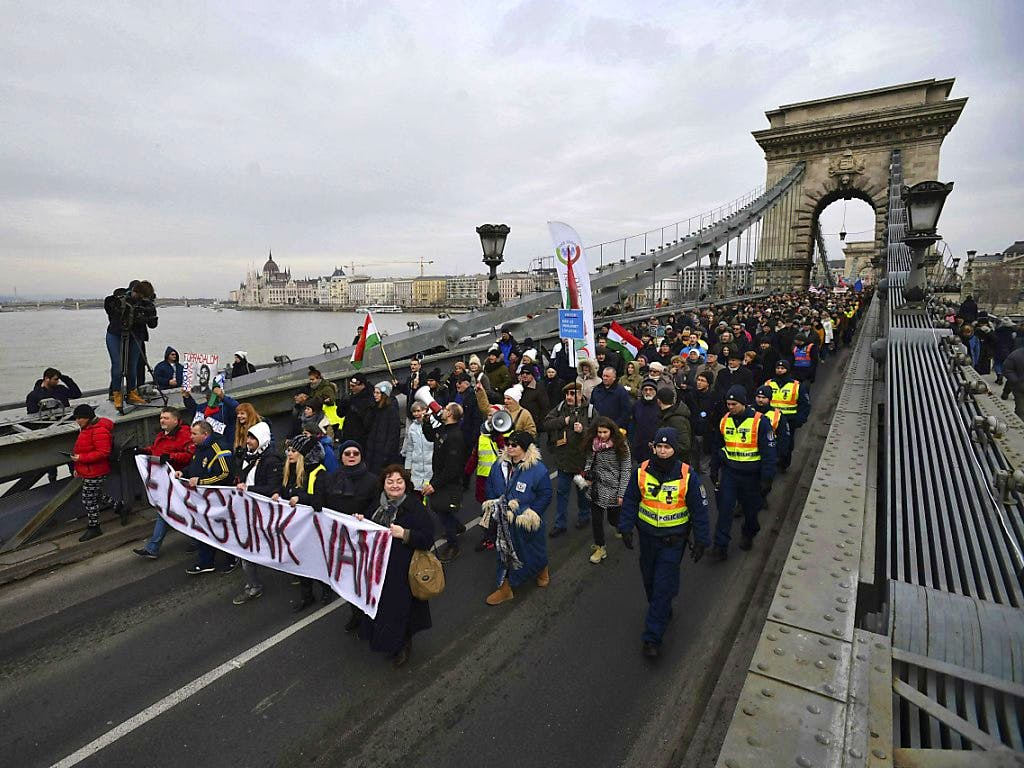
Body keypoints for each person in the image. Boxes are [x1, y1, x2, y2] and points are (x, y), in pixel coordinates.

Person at [618, 427, 710, 658]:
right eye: (659, 446)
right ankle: (663, 605)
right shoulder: (640, 471)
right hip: (648, 539)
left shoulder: (688, 475)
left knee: (661, 586)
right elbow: (630, 499)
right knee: (650, 581)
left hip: (673, 541)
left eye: (667, 447)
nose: (662, 451)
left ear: (674, 449)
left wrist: (701, 540)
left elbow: (699, 511)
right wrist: (626, 527)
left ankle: (652, 638)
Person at [351, 465, 434, 667]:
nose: (395, 485)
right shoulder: (375, 505)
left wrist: (405, 534)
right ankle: (388, 642)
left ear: (405, 484)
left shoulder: (415, 507)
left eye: (399, 481)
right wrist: (360, 521)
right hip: (379, 569)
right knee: (383, 610)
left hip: (403, 572)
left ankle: (403, 645)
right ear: (383, 484)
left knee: (401, 611)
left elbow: (427, 538)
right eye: (390, 481)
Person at [482, 431, 553, 605]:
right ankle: (505, 589)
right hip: (504, 522)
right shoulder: (498, 466)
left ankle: (542, 569)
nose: (509, 448)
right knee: (503, 554)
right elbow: (490, 485)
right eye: (508, 444)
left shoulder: (538, 469)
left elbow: (545, 494)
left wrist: (532, 513)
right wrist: (495, 505)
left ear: (525, 447)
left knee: (533, 549)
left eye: (514, 445)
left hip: (525, 521)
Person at [709, 386, 777, 559]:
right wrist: (714, 469)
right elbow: (718, 446)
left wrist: (767, 478)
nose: (730, 407)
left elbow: (769, 452)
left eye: (734, 404)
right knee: (725, 509)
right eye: (728, 404)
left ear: (743, 404)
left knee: (750, 510)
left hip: (752, 475)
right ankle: (720, 546)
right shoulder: (725, 420)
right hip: (730, 473)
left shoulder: (760, 422)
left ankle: (749, 532)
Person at [323, 440, 381, 632]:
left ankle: (370, 614)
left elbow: (377, 506)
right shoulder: (332, 478)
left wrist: (364, 518)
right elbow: (323, 503)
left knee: (365, 579)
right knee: (348, 580)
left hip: (364, 540)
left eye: (355, 453)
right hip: (341, 538)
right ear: (341, 456)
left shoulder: (372, 480)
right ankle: (356, 614)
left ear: (361, 455)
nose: (351, 456)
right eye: (347, 453)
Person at [273, 435, 332, 611]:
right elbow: (283, 489)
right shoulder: (289, 470)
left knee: (317, 559)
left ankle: (326, 588)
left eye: (293, 450)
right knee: (301, 561)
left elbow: (319, 501)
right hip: (296, 526)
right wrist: (277, 493)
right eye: (288, 450)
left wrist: (300, 498)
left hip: (313, 526)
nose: (289, 454)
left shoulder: (318, 472)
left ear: (304, 454)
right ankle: (307, 596)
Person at [132, 407, 197, 559]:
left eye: (166, 418)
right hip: (166, 482)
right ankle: (196, 541)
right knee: (169, 511)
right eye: (161, 418)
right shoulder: (163, 435)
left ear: (175, 420)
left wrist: (171, 457)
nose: (162, 420)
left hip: (179, 481)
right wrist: (144, 451)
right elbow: (157, 450)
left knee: (169, 511)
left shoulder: (184, 434)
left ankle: (153, 548)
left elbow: (190, 455)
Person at [230, 421, 282, 604]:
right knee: (245, 551)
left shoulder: (272, 459)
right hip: (248, 510)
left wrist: (249, 489)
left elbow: (272, 487)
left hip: (264, 512)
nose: (249, 441)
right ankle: (253, 585)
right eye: (248, 437)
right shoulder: (248, 456)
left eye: (253, 438)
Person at [180, 421, 238, 575]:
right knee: (203, 529)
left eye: (194, 434)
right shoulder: (200, 448)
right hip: (202, 498)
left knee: (224, 529)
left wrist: (202, 482)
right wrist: (184, 473)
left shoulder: (219, 448)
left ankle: (232, 558)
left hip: (218, 499)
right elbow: (196, 467)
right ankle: (206, 561)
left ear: (205, 434)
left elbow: (224, 474)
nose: (191, 437)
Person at [542, 382, 596, 537]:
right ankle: (560, 524)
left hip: (582, 462)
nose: (569, 397)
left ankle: (584, 516)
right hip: (563, 460)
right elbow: (546, 424)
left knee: (582, 492)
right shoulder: (560, 408)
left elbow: (599, 433)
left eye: (573, 394)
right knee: (561, 493)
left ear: (580, 394)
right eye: (567, 394)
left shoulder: (591, 411)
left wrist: (583, 430)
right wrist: (563, 421)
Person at [581, 416, 632, 564]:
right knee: (596, 520)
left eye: (605, 432)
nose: (602, 436)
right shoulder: (593, 444)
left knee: (613, 519)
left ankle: (621, 527)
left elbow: (626, 469)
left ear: (612, 431)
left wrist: (622, 493)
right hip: (597, 486)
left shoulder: (621, 445)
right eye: (599, 432)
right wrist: (587, 474)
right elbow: (589, 461)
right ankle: (600, 547)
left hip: (613, 488)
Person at [422, 402, 467, 563]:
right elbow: (430, 436)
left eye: (446, 409)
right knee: (440, 508)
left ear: (450, 415)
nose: (442, 410)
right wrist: (426, 421)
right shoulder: (444, 429)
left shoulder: (455, 436)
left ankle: (453, 545)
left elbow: (452, 468)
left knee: (442, 510)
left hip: (449, 481)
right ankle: (457, 527)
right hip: (441, 476)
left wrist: (435, 485)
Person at [103, 279, 157, 409]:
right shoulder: (119, 299)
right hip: (115, 334)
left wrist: (147, 314)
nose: (141, 299)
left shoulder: (146, 304)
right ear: (134, 291)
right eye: (139, 296)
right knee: (118, 364)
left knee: (132, 366)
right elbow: (109, 307)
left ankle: (132, 392)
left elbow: (153, 324)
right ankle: (116, 394)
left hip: (135, 335)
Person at [70, 404, 116, 542]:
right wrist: (77, 467)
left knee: (88, 499)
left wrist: (80, 459)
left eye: (80, 418)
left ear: (88, 418)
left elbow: (103, 452)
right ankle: (119, 506)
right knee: (97, 496)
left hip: (96, 471)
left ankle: (94, 527)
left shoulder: (99, 431)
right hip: (89, 469)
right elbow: (81, 449)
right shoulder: (86, 428)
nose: (77, 421)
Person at [764, 359, 809, 452]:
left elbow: (804, 404)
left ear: (787, 370)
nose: (780, 370)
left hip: (789, 419)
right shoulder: (768, 383)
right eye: (778, 368)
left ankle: (784, 462)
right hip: (771, 419)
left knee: (787, 443)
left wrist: (800, 420)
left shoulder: (796, 385)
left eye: (782, 368)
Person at [364, 380, 401, 473]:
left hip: (383, 453)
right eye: (374, 392)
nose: (375, 395)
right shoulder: (375, 409)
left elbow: (393, 434)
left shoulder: (391, 410)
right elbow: (367, 426)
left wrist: (386, 454)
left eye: (378, 393)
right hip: (373, 450)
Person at [753, 385, 792, 473]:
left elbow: (784, 437)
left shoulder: (777, 415)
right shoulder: (748, 410)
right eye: (758, 397)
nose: (760, 400)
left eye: (764, 398)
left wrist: (780, 455)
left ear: (769, 399)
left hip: (769, 451)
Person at [403, 401, 434, 496]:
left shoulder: (434, 425)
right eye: (414, 412)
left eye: (418, 411)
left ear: (426, 410)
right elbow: (410, 448)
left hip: (431, 468)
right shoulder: (412, 427)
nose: (416, 414)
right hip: (416, 470)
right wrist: (407, 467)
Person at [655, 388, 693, 464]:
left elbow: (685, 445)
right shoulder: (664, 415)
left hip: (677, 462)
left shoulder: (676, 420)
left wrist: (666, 448)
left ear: (658, 401)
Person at [590, 366, 633, 431]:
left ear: (614, 378)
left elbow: (626, 412)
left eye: (607, 376)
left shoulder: (621, 391)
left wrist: (615, 425)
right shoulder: (596, 389)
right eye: (603, 376)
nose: (605, 378)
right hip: (597, 427)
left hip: (614, 428)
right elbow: (591, 407)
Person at [337, 372, 374, 447]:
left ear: (362, 385)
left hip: (361, 436)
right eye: (350, 386)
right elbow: (340, 414)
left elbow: (368, 421)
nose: (351, 388)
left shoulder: (369, 398)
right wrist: (343, 403)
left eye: (353, 386)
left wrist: (355, 409)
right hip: (348, 432)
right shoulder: (350, 397)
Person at [630, 378, 661, 465]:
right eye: (645, 390)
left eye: (651, 389)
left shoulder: (660, 406)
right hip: (639, 446)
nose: (648, 392)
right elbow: (632, 424)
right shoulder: (636, 405)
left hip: (655, 446)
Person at [516, 364, 550, 431]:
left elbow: (545, 407)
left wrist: (540, 423)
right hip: (518, 421)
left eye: (528, 373)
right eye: (522, 373)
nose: (524, 375)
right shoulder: (516, 388)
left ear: (533, 375)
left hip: (534, 422)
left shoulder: (539, 388)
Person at [1002, 345, 1024, 421]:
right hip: (1020, 389)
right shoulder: (1016, 355)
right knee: (1020, 411)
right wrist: (1016, 381)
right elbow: (1007, 369)